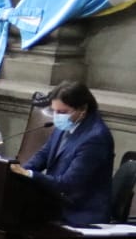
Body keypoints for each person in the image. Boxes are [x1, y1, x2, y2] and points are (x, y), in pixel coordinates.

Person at [12, 81, 114, 227]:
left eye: (62, 112)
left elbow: (68, 184)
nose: (56, 116)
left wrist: (29, 174)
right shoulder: (67, 124)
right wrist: (17, 173)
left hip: (79, 215)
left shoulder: (95, 138)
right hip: (57, 205)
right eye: (54, 111)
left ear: (83, 109)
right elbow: (43, 155)